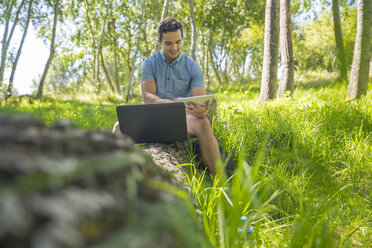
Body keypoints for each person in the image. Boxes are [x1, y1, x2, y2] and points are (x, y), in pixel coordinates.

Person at [113, 17, 220, 175]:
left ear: (182, 38)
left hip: (184, 119)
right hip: (156, 117)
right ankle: (113, 173)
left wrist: (201, 110)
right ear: (159, 41)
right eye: (168, 43)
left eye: (178, 42)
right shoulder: (149, 63)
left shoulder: (193, 67)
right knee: (118, 127)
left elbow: (199, 99)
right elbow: (148, 97)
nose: (174, 47)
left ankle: (220, 180)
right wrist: (172, 103)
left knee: (203, 123)